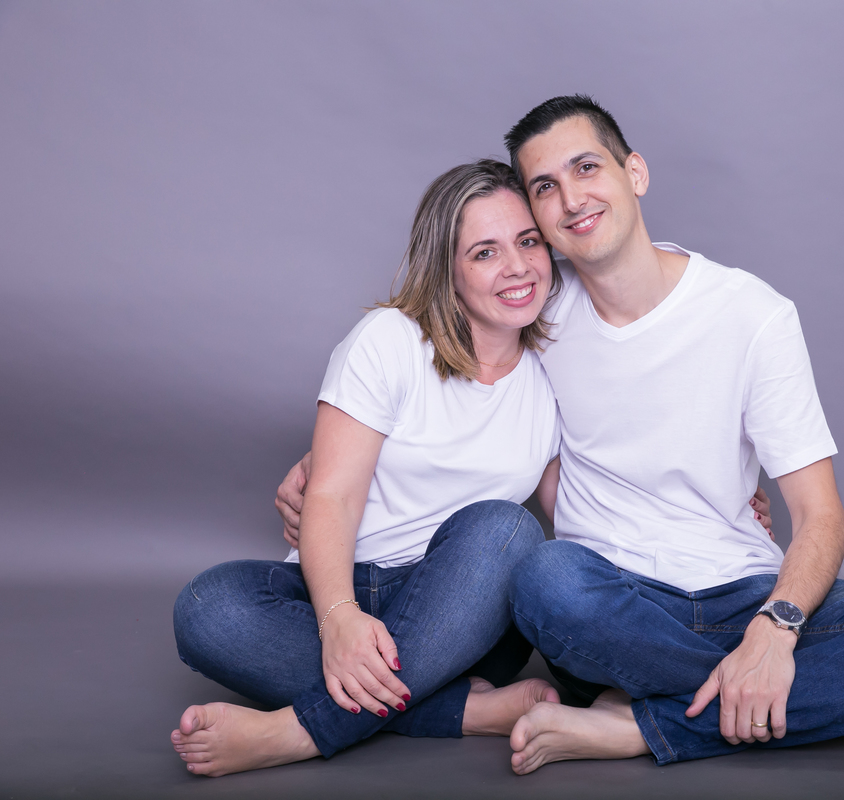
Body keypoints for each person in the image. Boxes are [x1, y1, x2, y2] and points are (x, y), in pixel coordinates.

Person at [282, 95, 844, 774]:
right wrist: (327, 463)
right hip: (609, 605)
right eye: (545, 187)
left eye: (586, 168)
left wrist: (775, 628)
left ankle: (641, 724)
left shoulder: (753, 315)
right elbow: (454, 386)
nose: (571, 199)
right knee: (545, 576)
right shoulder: (536, 307)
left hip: (744, 592)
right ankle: (831, 702)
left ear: (635, 173)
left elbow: (822, 516)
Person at [170, 159, 568, 776]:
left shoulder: (557, 368)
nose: (517, 266)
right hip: (343, 588)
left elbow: (579, 508)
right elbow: (331, 497)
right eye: (485, 252)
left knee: (509, 530)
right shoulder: (389, 340)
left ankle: (300, 731)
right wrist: (339, 618)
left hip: (464, 614)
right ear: (447, 268)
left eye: (528, 242)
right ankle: (459, 710)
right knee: (207, 607)